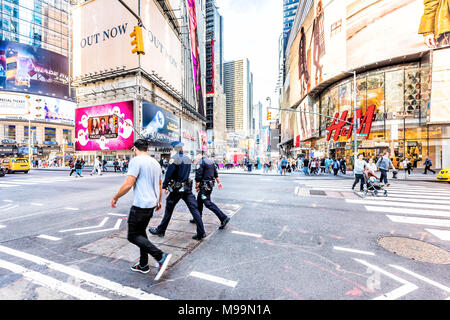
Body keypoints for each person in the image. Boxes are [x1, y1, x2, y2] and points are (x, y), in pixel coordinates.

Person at [111, 139, 172, 280]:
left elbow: (128, 184)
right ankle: (143, 264)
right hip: (151, 204)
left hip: (140, 205)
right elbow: (159, 183)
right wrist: (159, 200)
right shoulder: (155, 163)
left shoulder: (136, 161)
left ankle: (160, 256)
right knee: (141, 233)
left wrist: (115, 197)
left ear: (135, 148)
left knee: (132, 236)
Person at [149, 141, 207, 240]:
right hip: (187, 188)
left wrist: (165, 185)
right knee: (194, 209)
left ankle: (161, 230)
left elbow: (168, 174)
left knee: (169, 209)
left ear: (174, 149)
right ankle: (201, 232)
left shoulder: (174, 159)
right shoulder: (188, 159)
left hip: (177, 189)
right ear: (182, 149)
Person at [189, 154, 231, 229]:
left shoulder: (201, 162)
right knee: (199, 202)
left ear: (200, 155)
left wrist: (197, 187)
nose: (196, 157)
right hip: (209, 186)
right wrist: (219, 182)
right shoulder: (211, 162)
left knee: (207, 203)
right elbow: (216, 174)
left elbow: (198, 176)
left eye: (197, 155)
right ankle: (197, 218)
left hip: (204, 187)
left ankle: (223, 217)